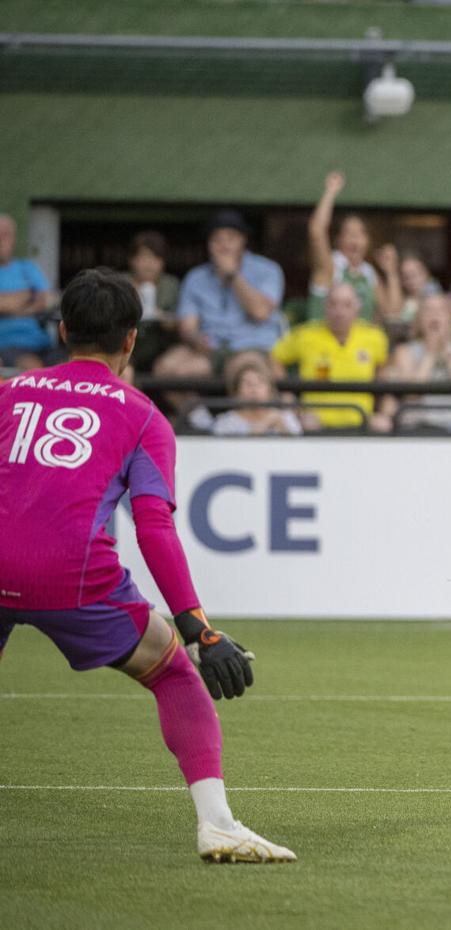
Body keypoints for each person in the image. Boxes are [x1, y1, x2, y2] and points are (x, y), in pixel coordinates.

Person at [0, 267, 295, 863]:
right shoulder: (142, 416)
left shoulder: (6, 393)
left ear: (61, 331)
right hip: (72, 574)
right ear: (131, 340)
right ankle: (217, 823)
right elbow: (154, 528)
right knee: (172, 674)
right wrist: (198, 630)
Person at [166, 210, 285, 374]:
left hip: (253, 348)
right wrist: (196, 339)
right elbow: (188, 326)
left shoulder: (268, 270)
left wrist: (233, 275)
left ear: (243, 240)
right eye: (217, 240)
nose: (224, 246)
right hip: (210, 350)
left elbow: (261, 312)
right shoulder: (196, 277)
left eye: (230, 238)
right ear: (209, 245)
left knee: (244, 370)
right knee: (167, 368)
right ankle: (198, 402)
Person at [271, 282, 389, 432]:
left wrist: (381, 412)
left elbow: (384, 370)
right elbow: (274, 357)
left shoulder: (374, 337)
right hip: (315, 425)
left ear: (358, 308)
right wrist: (288, 398)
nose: (339, 312)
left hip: (362, 423)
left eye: (347, 305)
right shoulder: (306, 335)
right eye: (333, 304)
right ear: (324, 307)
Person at [380, 293, 451, 434]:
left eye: (441, 310)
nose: (434, 315)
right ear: (419, 319)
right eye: (428, 310)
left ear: (450, 318)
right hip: (417, 426)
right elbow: (411, 393)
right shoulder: (404, 351)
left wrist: (446, 350)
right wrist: (430, 354)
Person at [308, 171, 402, 323]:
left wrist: (391, 272)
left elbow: (393, 312)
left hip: (357, 345)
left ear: (368, 241)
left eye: (361, 233)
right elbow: (317, 232)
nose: (355, 238)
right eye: (349, 233)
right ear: (338, 240)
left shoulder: (368, 273)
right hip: (324, 343)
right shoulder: (330, 266)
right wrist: (330, 192)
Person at [0, 213, 56, 370]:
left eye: (6, 235)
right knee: (33, 367)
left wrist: (12, 307)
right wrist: (27, 296)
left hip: (42, 343)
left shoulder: (27, 268)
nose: (1, 239)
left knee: (70, 365)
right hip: (8, 345)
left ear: (13, 239)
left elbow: (46, 299)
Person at [125, 231, 183, 373]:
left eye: (155, 258)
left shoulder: (171, 285)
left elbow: (182, 321)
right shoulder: (120, 284)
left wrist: (165, 319)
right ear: (132, 260)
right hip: (126, 350)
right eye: (144, 258)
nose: (149, 264)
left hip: (162, 349)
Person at [209, 352, 302, 437]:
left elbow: (299, 450)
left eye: (260, 383)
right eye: (248, 383)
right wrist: (261, 426)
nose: (254, 389)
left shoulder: (286, 418)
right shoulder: (225, 423)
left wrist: (282, 427)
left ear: (270, 389)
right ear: (237, 391)